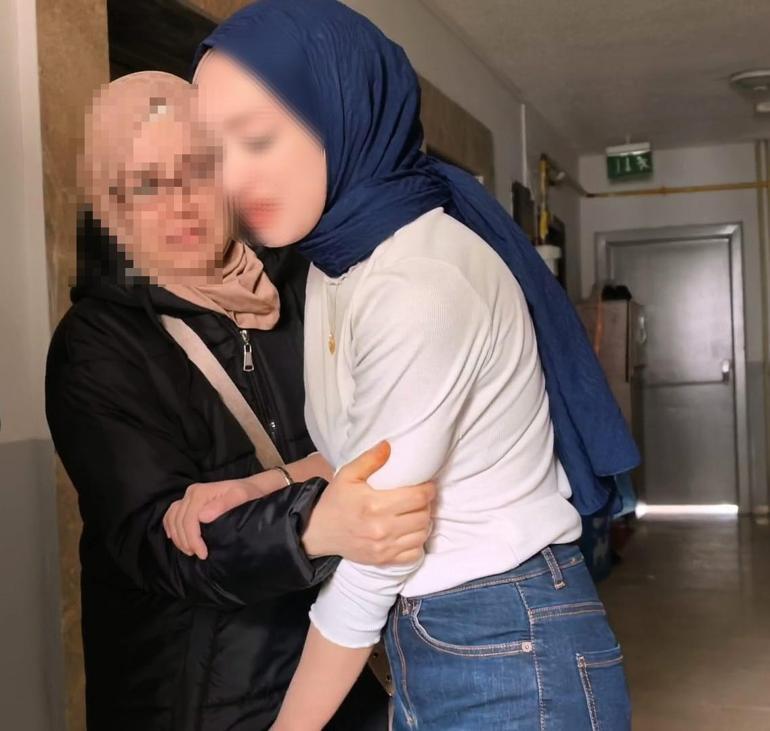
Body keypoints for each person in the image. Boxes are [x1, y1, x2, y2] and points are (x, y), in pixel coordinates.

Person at [169, 2, 641, 729]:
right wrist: (256, 485)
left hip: (508, 641)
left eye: (256, 139)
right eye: (213, 151)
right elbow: (364, 458)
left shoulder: (419, 282)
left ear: (341, 115)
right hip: (447, 632)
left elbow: (376, 546)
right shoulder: (336, 262)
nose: (230, 178)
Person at [45, 71, 435, 731]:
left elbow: (375, 438)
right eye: (147, 184)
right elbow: (159, 541)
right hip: (197, 701)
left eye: (198, 169)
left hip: (339, 673)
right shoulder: (98, 343)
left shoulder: (305, 291)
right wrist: (313, 526)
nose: (182, 205)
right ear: (110, 204)